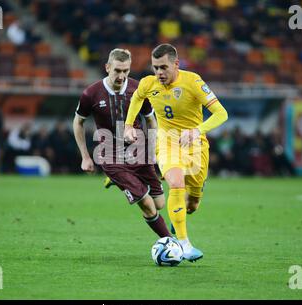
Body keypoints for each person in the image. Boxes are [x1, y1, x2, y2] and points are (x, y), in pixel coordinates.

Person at [124, 44, 228, 262]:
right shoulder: (147, 84)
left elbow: (221, 114)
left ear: (176, 64)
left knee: (192, 205)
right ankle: (183, 243)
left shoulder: (193, 82)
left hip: (196, 144)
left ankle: (184, 208)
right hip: (167, 142)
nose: (159, 73)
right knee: (176, 183)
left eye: (164, 67)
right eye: (155, 68)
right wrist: (128, 125)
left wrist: (197, 130)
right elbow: (136, 99)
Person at [73, 48, 170, 239]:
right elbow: (78, 121)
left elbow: (151, 120)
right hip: (110, 155)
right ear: (107, 67)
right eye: (117, 70)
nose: (122, 76)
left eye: (126, 71)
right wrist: (85, 156)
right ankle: (172, 242)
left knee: (159, 204)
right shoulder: (91, 94)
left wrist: (155, 151)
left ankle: (115, 180)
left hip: (139, 151)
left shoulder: (138, 89)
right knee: (147, 205)